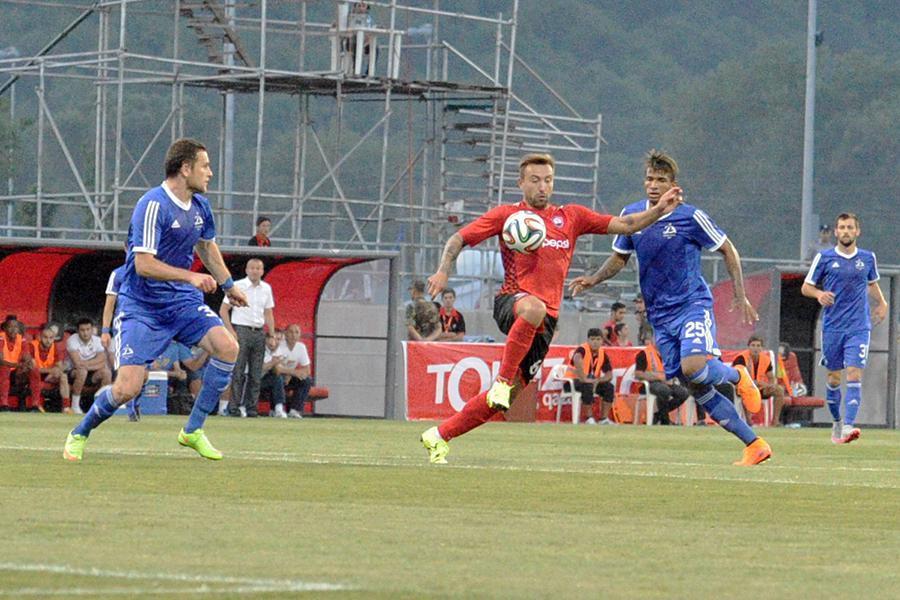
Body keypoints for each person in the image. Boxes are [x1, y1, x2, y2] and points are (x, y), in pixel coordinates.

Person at [420, 152, 681, 464]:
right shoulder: (507, 216)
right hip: (513, 302)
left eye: (548, 180)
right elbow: (457, 239)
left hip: (544, 324)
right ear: (521, 183)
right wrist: (443, 271)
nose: (542, 187)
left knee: (502, 401)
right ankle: (501, 381)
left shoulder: (571, 217)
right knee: (533, 311)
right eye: (535, 180)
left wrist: (659, 210)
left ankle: (439, 435)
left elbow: (626, 225)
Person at [570, 149, 770, 466]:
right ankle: (754, 444)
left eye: (660, 180)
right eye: (649, 179)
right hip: (660, 316)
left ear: (672, 185)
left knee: (693, 367)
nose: (653, 185)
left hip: (692, 305)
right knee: (696, 386)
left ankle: (736, 374)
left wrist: (740, 293)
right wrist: (594, 278)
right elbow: (620, 257)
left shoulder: (690, 217)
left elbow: (728, 249)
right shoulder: (633, 215)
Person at [62, 137, 248, 462]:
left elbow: (206, 247)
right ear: (185, 168)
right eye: (205, 166)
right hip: (142, 307)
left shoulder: (201, 207)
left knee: (228, 347)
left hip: (181, 302)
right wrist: (190, 276)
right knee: (127, 389)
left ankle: (192, 430)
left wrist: (228, 285)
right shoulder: (152, 205)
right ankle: (80, 432)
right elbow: (143, 265)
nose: (210, 172)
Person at [801, 212, 888, 444]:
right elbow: (806, 287)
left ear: (857, 231)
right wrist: (819, 294)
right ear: (836, 232)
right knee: (833, 378)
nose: (846, 231)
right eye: (842, 227)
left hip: (859, 326)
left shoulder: (867, 258)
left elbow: (872, 283)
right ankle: (837, 421)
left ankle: (849, 425)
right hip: (832, 327)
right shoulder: (825, 257)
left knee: (854, 372)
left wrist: (882, 303)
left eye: (850, 227)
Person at [220, 258, 276, 418]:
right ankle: (234, 407)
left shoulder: (266, 288)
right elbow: (223, 310)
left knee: (256, 373)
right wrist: (231, 330)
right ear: (246, 270)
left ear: (262, 271)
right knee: (238, 371)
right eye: (252, 268)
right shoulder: (237, 286)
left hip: (258, 331)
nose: (255, 271)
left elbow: (268, 313)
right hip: (241, 329)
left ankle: (252, 408)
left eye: (258, 268)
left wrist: (271, 335)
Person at [632, 329, 689, 425]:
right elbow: (638, 374)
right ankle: (665, 421)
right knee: (664, 390)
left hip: (666, 382)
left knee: (683, 393)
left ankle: (658, 415)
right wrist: (658, 377)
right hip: (649, 384)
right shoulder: (644, 353)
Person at [732, 335, 786, 426]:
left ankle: (775, 422)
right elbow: (738, 377)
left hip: (760, 388)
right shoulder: (741, 358)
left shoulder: (765, 359)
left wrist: (772, 385)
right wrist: (755, 382)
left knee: (779, 390)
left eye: (758, 346)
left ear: (762, 348)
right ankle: (749, 422)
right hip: (743, 388)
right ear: (749, 347)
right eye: (753, 345)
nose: (755, 348)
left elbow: (771, 377)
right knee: (747, 390)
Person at [564, 328, 615, 424]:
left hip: (591, 381)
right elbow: (576, 359)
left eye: (598, 339)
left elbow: (609, 374)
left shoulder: (602, 353)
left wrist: (599, 380)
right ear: (588, 340)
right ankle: (589, 418)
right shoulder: (582, 349)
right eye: (592, 339)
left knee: (609, 387)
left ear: (602, 341)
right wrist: (584, 378)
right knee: (587, 386)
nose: (595, 342)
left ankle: (604, 419)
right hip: (573, 381)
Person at [66, 317, 112, 415]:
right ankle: (75, 406)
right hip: (73, 373)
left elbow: (102, 361)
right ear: (78, 331)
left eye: (88, 329)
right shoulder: (72, 340)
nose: (85, 333)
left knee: (106, 373)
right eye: (82, 330)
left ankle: (101, 405)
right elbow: (77, 363)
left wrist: (86, 365)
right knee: (82, 372)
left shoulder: (98, 340)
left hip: (91, 372)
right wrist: (94, 364)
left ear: (92, 330)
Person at [28, 325, 71, 413]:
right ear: (40, 337)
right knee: (35, 374)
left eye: (51, 338)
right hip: (33, 376)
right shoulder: (32, 346)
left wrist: (56, 371)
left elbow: (59, 366)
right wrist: (51, 370)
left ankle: (66, 407)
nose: (48, 340)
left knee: (63, 376)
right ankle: (36, 405)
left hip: (48, 376)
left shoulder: (55, 347)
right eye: (45, 337)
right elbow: (33, 368)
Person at [0, 316, 32, 411]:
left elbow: (27, 357)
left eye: (16, 327)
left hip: (15, 371)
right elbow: (0, 360)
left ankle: (33, 405)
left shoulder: (21, 339)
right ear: (5, 328)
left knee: (32, 368)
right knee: (5, 369)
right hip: (3, 370)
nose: (13, 329)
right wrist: (17, 365)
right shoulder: (1, 338)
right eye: (10, 326)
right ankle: (4, 404)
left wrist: (25, 364)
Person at [280, 323, 311, 419]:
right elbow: (276, 368)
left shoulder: (301, 347)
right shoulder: (280, 345)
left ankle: (295, 410)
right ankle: (277, 409)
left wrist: (292, 373)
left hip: (290, 376)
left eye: (296, 332)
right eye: (291, 332)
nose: (293, 335)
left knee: (306, 380)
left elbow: (307, 369)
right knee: (277, 379)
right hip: (277, 375)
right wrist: (291, 372)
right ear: (285, 333)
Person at [260, 331, 288, 418]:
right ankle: (277, 409)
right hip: (253, 381)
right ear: (267, 339)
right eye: (273, 338)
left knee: (278, 378)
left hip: (266, 380)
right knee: (277, 378)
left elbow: (278, 370)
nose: (275, 342)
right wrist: (274, 362)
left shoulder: (280, 350)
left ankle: (277, 409)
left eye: (279, 339)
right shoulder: (260, 349)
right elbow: (261, 368)